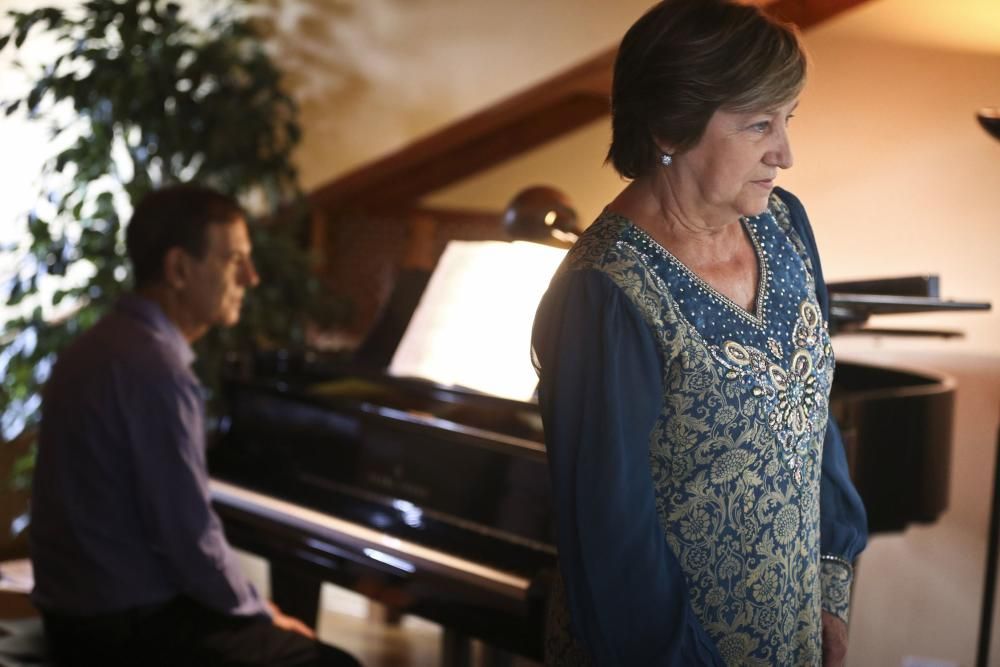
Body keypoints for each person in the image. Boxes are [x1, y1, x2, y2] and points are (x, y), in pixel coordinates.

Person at [530, 1, 868, 665]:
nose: (786, 153)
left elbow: (811, 410)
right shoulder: (607, 289)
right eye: (759, 125)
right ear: (671, 125)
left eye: (787, 119)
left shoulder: (786, 225)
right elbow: (613, 540)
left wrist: (829, 591)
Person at [29, 185, 361, 667]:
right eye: (234, 261)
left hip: (75, 614)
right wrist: (261, 612)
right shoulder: (157, 366)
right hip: (122, 629)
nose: (252, 276)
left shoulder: (97, 345)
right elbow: (188, 537)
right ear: (179, 269)